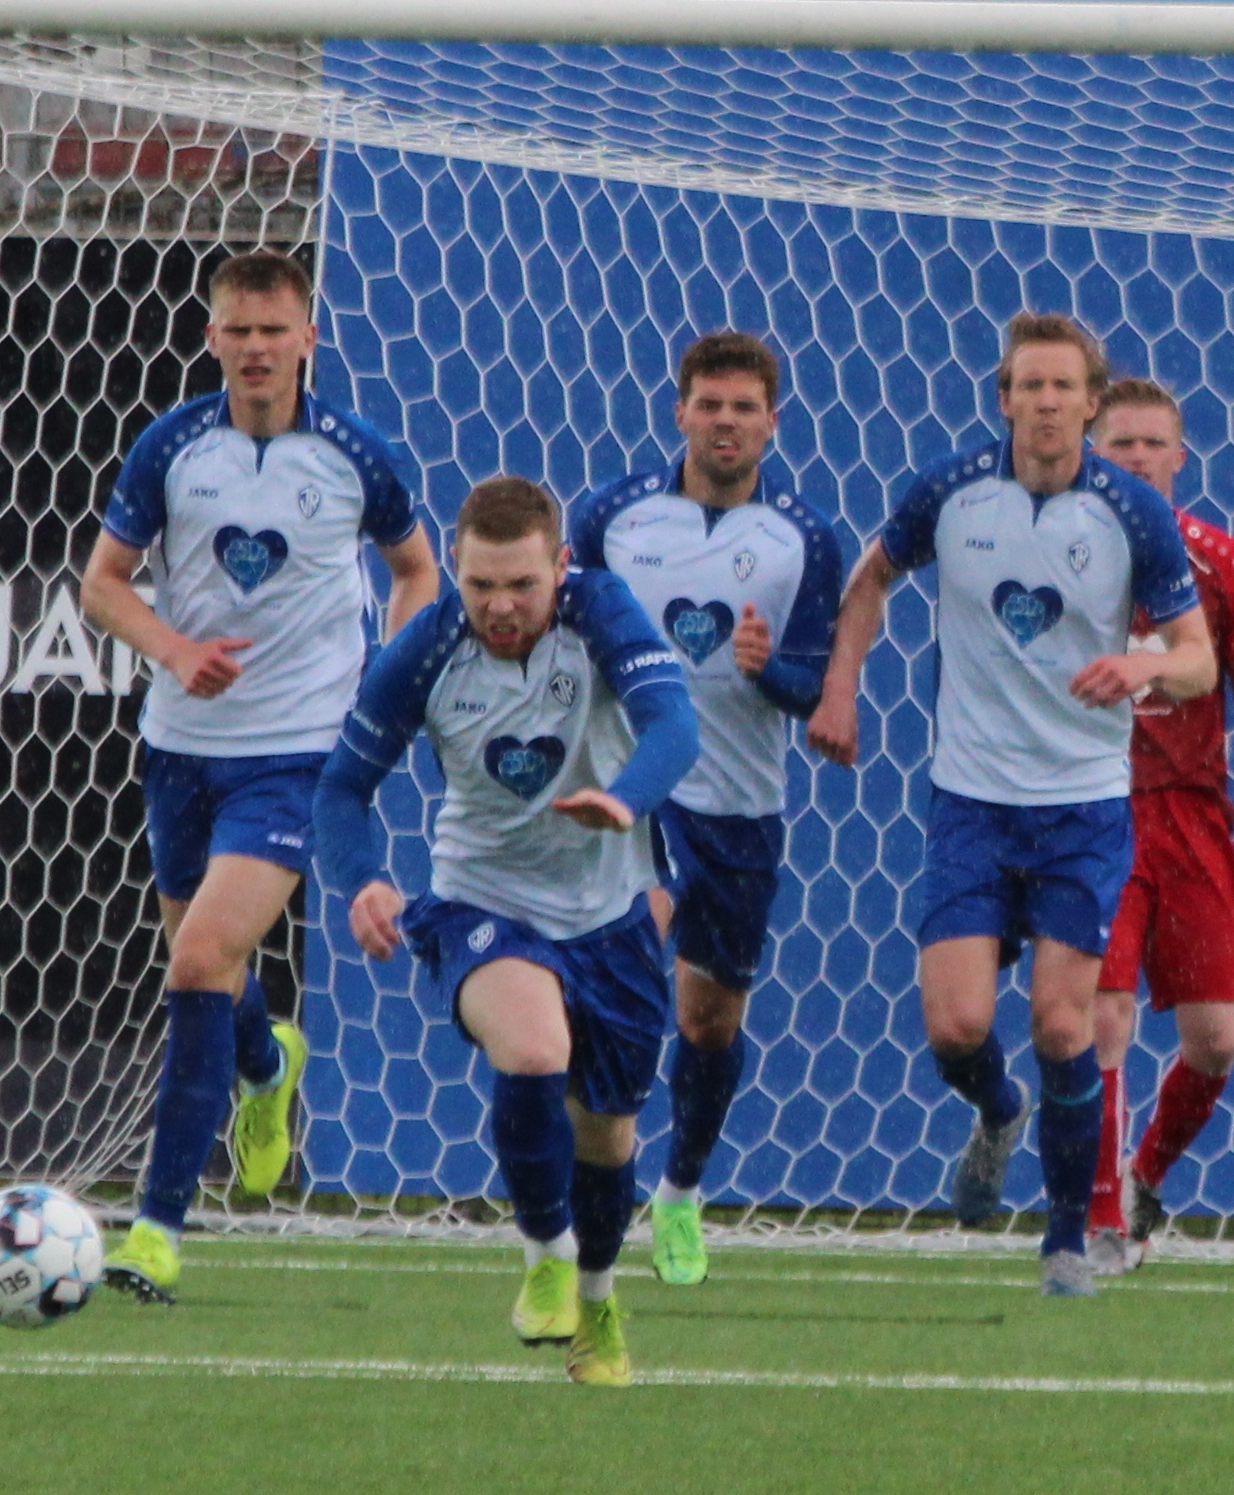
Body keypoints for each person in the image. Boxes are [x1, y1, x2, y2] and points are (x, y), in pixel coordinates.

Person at [808, 314, 1214, 1295]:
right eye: (1027, 386)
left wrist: (1141, 664)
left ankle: (1066, 1239)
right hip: (972, 805)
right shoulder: (950, 493)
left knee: (1063, 1028)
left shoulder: (1131, 513)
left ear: (1091, 402)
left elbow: (1198, 659)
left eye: (1062, 387)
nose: (1044, 403)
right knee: (955, 1026)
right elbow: (872, 575)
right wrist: (839, 684)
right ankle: (997, 1111)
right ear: (1003, 399)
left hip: (1083, 809)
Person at [81, 248, 439, 1302]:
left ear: (306, 339)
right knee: (210, 967)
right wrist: (173, 650)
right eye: (237, 330)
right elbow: (103, 583)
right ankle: (268, 1064)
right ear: (212, 338)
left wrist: (383, 685)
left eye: (273, 330)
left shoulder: (354, 454)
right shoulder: (172, 445)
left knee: (197, 961)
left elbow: (418, 568)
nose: (254, 348)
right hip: (180, 748)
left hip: (296, 754)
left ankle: (156, 1228)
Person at [313, 475, 698, 1386]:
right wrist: (363, 881)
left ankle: (596, 1301)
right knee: (532, 1050)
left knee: (607, 1141)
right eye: (481, 584)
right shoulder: (426, 647)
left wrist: (624, 798)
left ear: (561, 566)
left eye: (522, 585)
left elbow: (675, 728)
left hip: (609, 917)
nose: (500, 607)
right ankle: (545, 1255)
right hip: (479, 901)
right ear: (454, 564)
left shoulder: (602, 612)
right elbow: (341, 789)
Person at [569, 331, 845, 1285]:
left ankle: (680, 1190)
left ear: (774, 422)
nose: (726, 422)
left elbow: (812, 685)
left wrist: (771, 672)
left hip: (738, 804)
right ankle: (596, 1177)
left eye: (744, 408)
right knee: (620, 980)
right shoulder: (614, 518)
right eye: (710, 404)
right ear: (680, 411)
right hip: (636, 788)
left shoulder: (803, 538)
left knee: (710, 1021)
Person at [1083, 377, 1234, 1268]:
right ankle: (1100, 1219)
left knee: (1216, 1040)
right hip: (1097, 809)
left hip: (1192, 814)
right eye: (1121, 444)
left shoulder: (1222, 563)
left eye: (1153, 444)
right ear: (1095, 454)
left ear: (1180, 457)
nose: (1137, 458)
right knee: (1104, 1013)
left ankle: (1141, 1178)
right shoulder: (1064, 556)